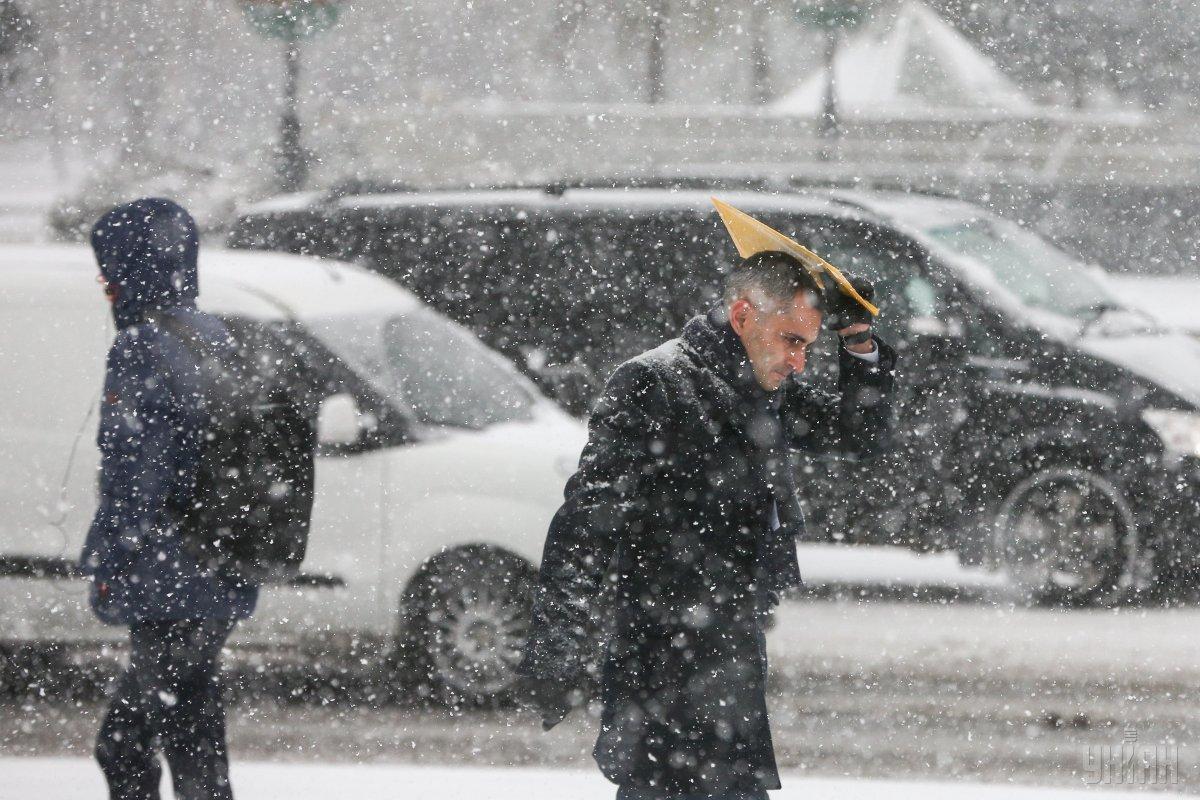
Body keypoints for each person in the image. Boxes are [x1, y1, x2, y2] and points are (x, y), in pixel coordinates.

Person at [518, 250, 897, 800]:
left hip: (728, 648)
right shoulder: (655, 382)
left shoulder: (760, 385)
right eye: (792, 341)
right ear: (743, 316)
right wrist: (558, 645)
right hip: (661, 659)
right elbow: (586, 522)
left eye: (809, 348)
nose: (800, 363)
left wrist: (859, 341)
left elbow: (857, 433)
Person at [81, 198, 257, 800]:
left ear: (129, 271)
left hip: (170, 574)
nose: (104, 285)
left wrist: (114, 555)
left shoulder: (141, 349)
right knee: (191, 731)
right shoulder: (214, 335)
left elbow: (138, 471)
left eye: (108, 272)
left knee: (123, 744)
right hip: (220, 565)